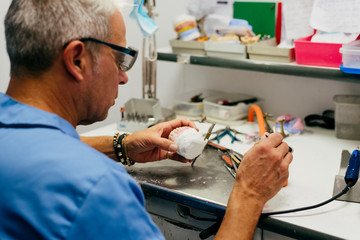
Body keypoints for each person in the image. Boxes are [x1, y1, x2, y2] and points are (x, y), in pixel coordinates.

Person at [0, 0, 292, 240]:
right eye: (120, 59)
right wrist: (249, 195)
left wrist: (123, 144)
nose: (124, 76)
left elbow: (43, 146)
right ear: (77, 60)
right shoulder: (96, 188)